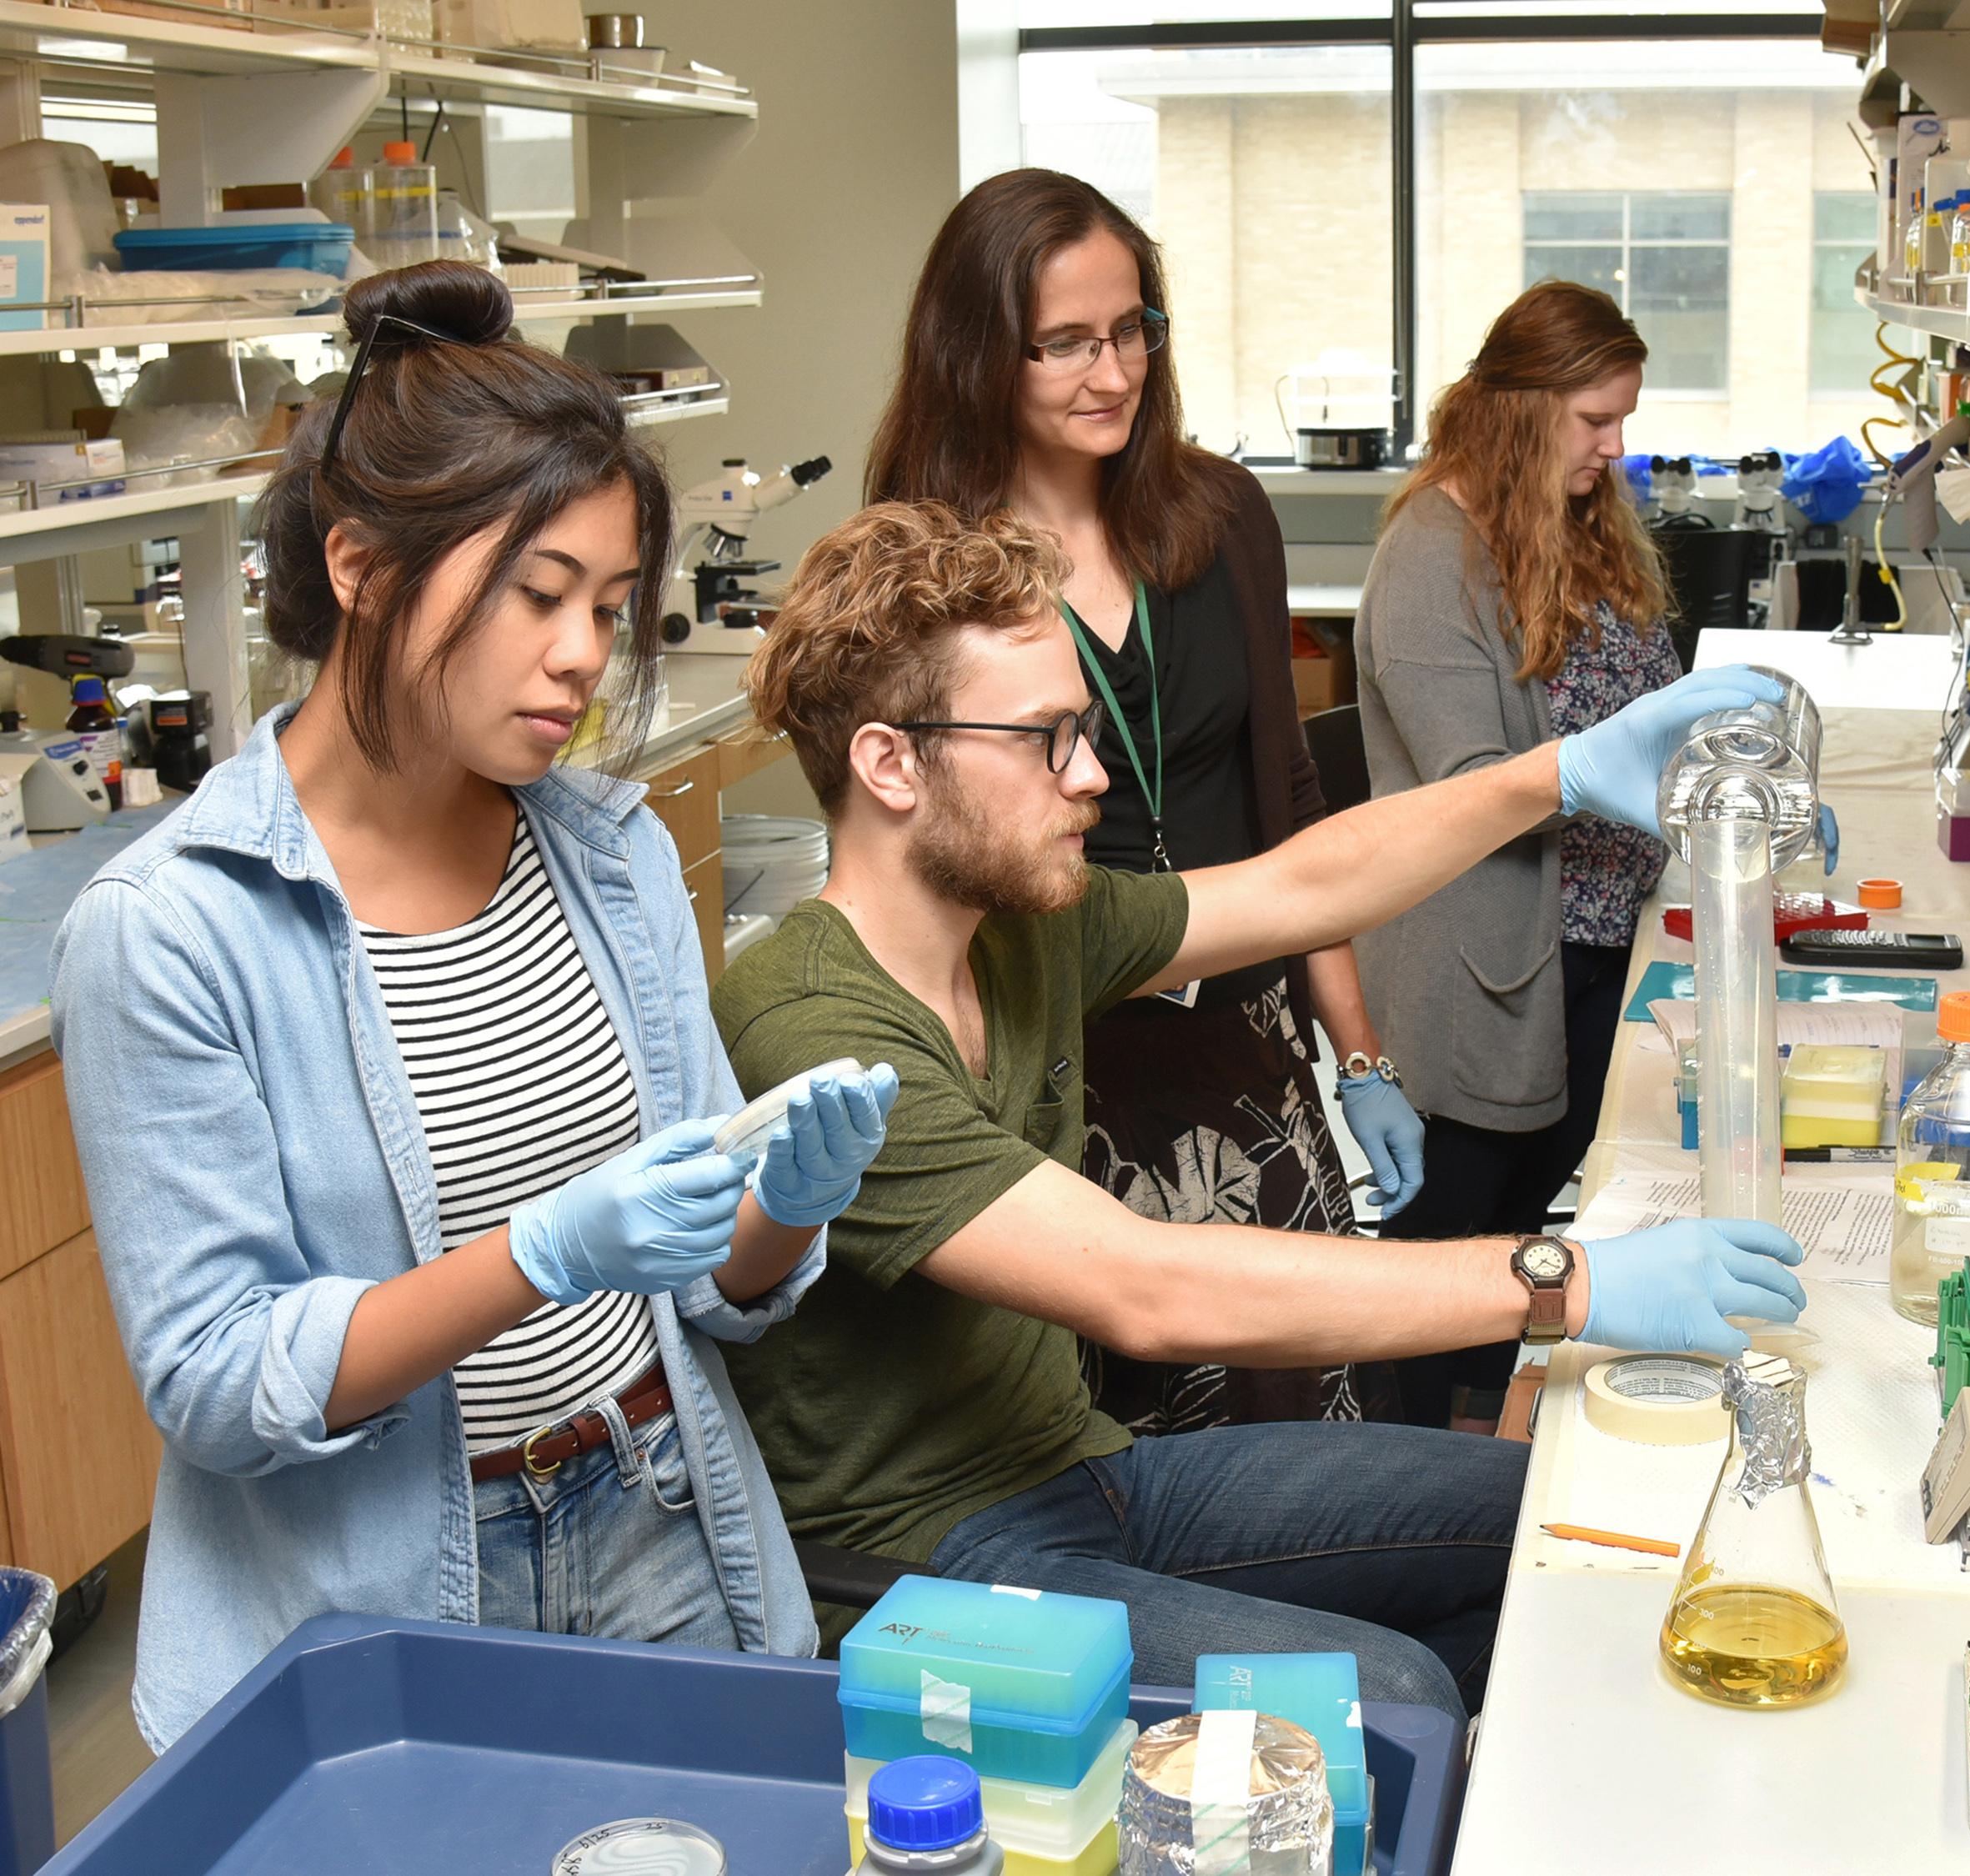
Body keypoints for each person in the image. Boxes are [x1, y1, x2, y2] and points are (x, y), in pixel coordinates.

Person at [710, 499, 1809, 1723]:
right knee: (1389, 1699)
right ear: (890, 762)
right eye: (1045, 738)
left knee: (1553, 1523)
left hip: (1085, 1474)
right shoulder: (810, 1020)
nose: (1093, 772)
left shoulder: (1022, 929)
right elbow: (1154, 1288)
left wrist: (1556, 774)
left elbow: (1299, 884)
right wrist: (1566, 1279)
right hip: (924, 1565)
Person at [45, 263, 893, 1752]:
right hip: (373, 1598)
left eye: (610, 604)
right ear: (362, 565)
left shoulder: (609, 853)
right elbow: (221, 1378)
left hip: (657, 1521)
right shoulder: (171, 930)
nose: (581, 654)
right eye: (538, 592)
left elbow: (703, 1287)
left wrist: (781, 1216)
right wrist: (540, 1253)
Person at [863, 168, 1419, 1433]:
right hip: (1064, 1055)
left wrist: (1361, 1054)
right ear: (976, 353)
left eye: (1131, 331)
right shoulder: (928, 559)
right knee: (1122, 1454)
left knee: (1302, 1428)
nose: (1111, 372)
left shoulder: (1219, 515)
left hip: (1247, 1046)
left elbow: (1288, 802)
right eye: (1064, 342)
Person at [1354, 281, 1837, 1432]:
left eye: (1622, 418)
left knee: (1522, 1231)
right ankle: (1417, 1473)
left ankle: (1482, 1439)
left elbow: (1647, 712)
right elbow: (1481, 784)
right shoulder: (1433, 558)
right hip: (1483, 971)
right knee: (1450, 1264)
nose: (1616, 445)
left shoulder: (1575, 524)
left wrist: (1749, 766)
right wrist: (1656, 785)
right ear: (1518, 412)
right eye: (1594, 421)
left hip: (1589, 946)